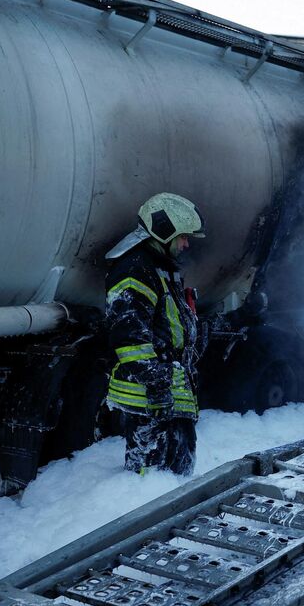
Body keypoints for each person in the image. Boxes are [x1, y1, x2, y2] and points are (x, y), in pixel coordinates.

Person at [103, 192, 204, 475]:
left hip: (167, 392)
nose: (186, 244)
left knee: (173, 476)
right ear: (164, 230)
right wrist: (157, 381)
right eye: (183, 237)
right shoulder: (135, 270)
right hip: (150, 398)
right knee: (151, 482)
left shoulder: (160, 269)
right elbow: (128, 336)